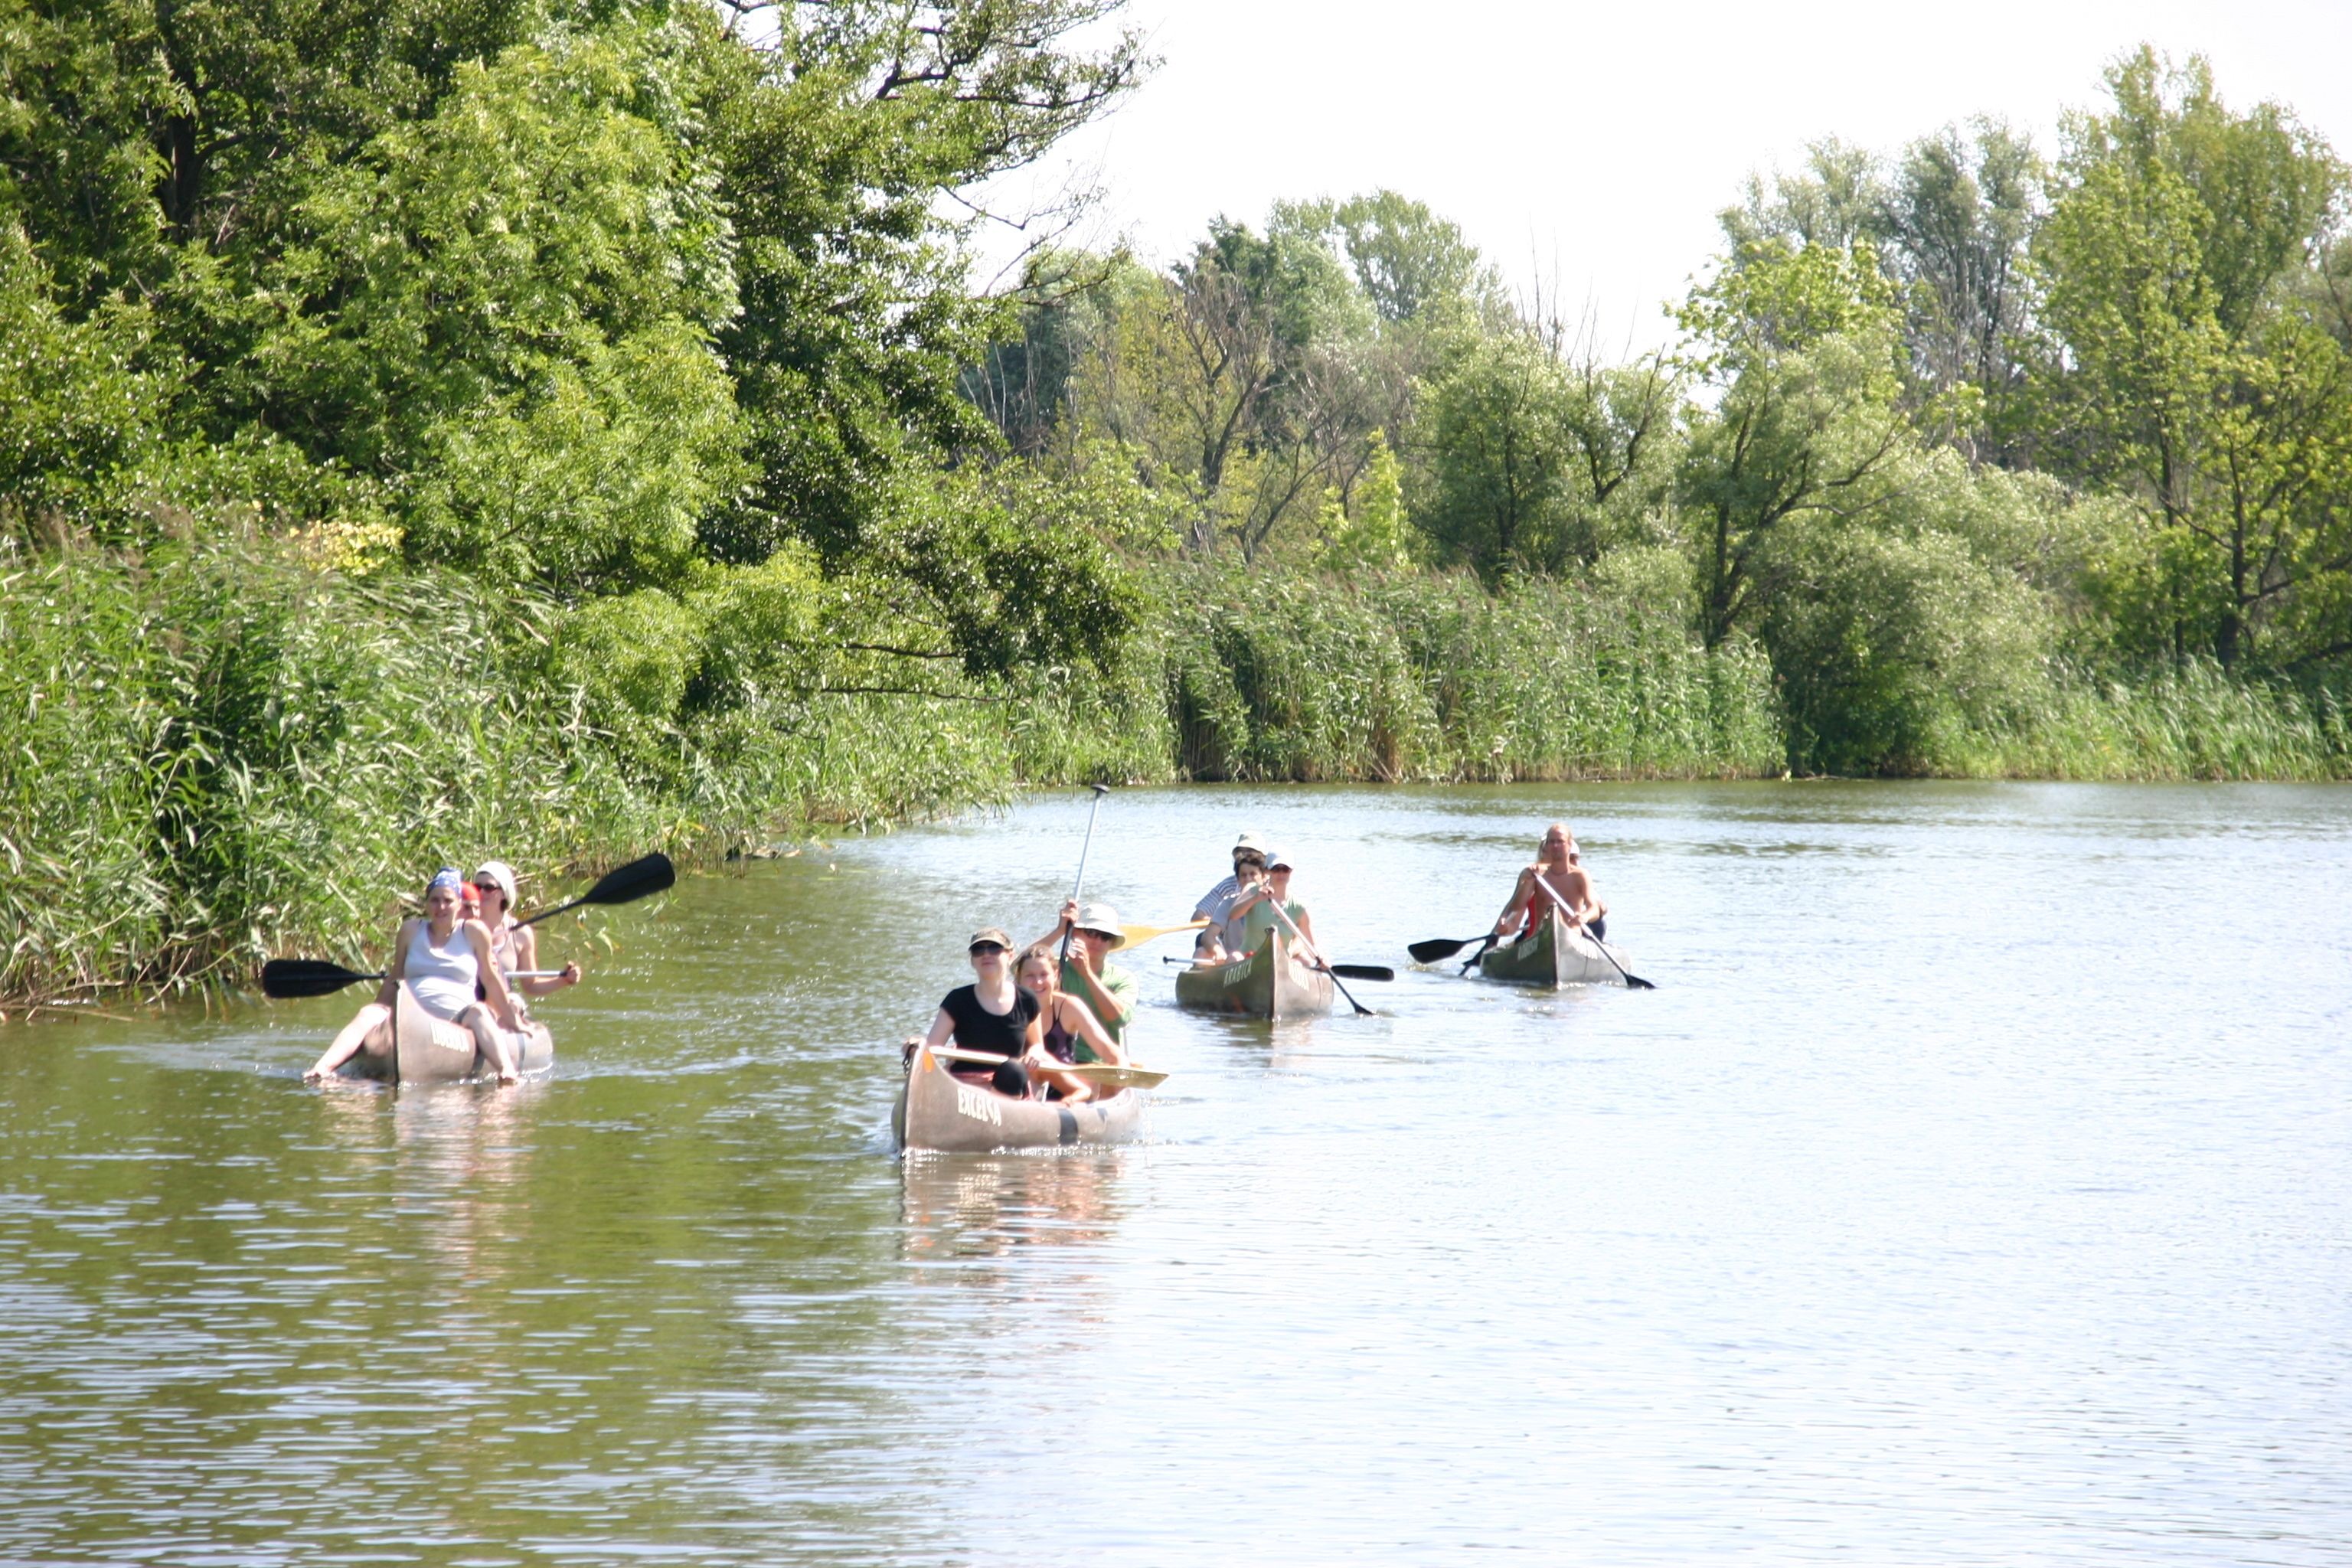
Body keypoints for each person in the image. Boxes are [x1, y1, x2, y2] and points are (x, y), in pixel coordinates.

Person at [305, 867, 526, 1083]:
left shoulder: (474, 932)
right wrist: (380, 1012)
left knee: (480, 1011)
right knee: (368, 1013)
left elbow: (489, 978)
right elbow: (396, 977)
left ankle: (506, 1070)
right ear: (427, 904)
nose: (441, 907)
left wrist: (512, 1019)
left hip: (458, 1015)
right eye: (434, 900)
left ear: (459, 904)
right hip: (412, 1012)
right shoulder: (411, 930)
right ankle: (322, 1067)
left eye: (448, 900)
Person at [911, 928, 1041, 1099]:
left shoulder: (1027, 1000)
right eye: (978, 950)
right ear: (973, 961)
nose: (986, 954)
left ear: (1010, 956)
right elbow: (931, 1050)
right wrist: (916, 1048)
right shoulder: (957, 1000)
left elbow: (1037, 1045)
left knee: (1013, 1070)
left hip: (1008, 1088)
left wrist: (1034, 1054)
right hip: (964, 1089)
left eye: (994, 948)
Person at [1014, 946, 1127, 1102]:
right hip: (1020, 1085)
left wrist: (1121, 1070)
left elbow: (1108, 1050)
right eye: (1030, 976)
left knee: (1095, 1083)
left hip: (1066, 1089)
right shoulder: (1008, 1006)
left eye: (1044, 974)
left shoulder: (1070, 1007)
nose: (1038, 982)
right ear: (1018, 978)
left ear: (1056, 975)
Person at [1029, 899, 1138, 1052]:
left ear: (1111, 943)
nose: (1097, 941)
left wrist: (1087, 974)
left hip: (1100, 1061)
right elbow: (1018, 968)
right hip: (1055, 1056)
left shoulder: (1123, 978)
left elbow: (1121, 1019)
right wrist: (1060, 931)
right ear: (1075, 934)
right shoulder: (1054, 968)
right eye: (1091, 933)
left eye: (1105, 937)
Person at [1491, 822, 1607, 944]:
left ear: (1569, 845)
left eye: (1560, 842)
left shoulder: (1581, 875)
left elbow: (1595, 909)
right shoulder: (1535, 874)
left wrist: (1584, 916)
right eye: (1552, 842)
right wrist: (1527, 882)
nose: (1556, 845)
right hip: (1539, 939)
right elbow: (1516, 907)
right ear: (1546, 847)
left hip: (1573, 938)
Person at [1192, 833, 1269, 964]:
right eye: (1242, 853)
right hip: (1232, 948)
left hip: (1262, 953)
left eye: (1252, 853)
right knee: (1201, 945)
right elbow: (1197, 918)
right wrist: (1219, 921)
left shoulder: (1274, 890)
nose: (1248, 878)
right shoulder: (1228, 888)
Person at [1228, 850, 1319, 958]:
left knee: (1305, 960)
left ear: (1291, 871)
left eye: (1285, 869)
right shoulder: (1252, 890)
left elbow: (1312, 944)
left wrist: (1322, 958)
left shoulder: (1299, 907)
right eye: (1276, 869)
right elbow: (1233, 915)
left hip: (1281, 961)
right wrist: (1255, 899)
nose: (1281, 874)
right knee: (1234, 957)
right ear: (1267, 871)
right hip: (1248, 957)